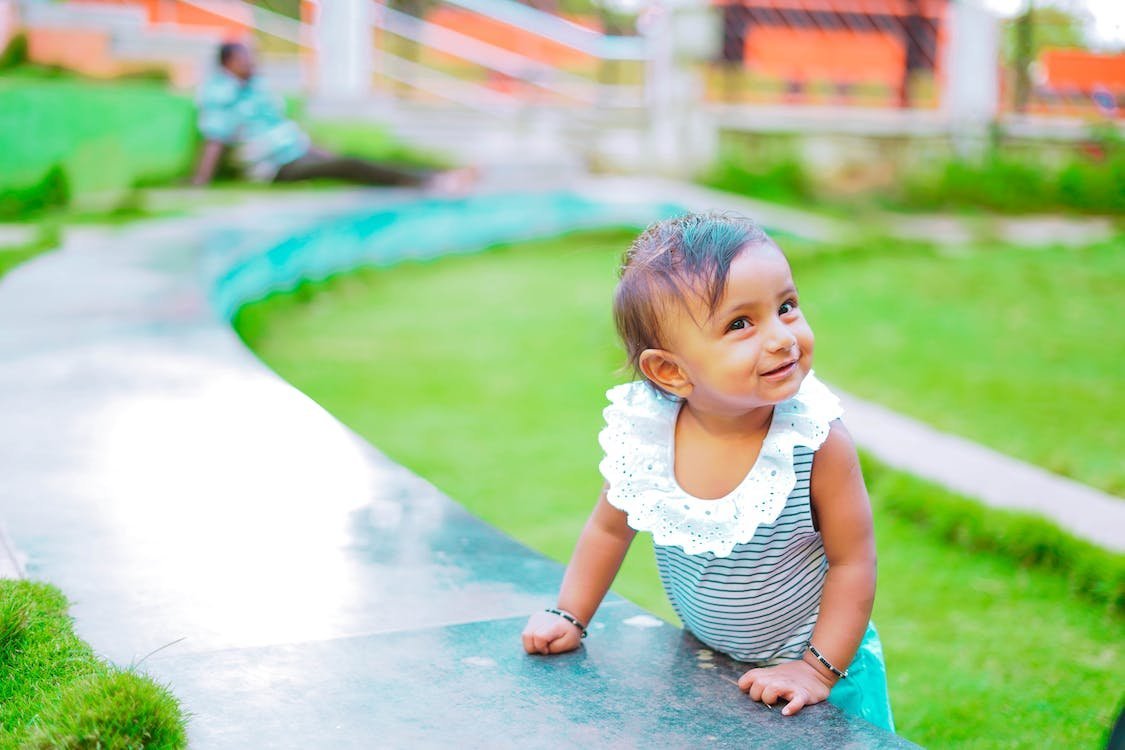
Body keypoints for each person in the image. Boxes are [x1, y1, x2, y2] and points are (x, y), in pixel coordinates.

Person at [520, 212, 895, 731]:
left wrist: (816, 671)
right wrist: (569, 615)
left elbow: (854, 562)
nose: (782, 338)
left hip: (823, 670)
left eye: (786, 307)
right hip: (713, 664)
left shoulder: (814, 442)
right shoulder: (649, 438)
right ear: (671, 372)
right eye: (740, 324)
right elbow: (608, 529)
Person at [191, 42, 472, 191]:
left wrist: (317, 150)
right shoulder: (220, 95)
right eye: (245, 57)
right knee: (349, 165)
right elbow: (214, 139)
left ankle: (438, 174)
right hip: (276, 168)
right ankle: (430, 182)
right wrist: (200, 180)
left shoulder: (254, 88)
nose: (253, 61)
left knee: (353, 158)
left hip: (296, 153)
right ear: (228, 62)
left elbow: (283, 129)